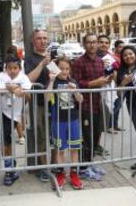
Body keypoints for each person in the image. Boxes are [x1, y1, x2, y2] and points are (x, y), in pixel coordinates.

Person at [72, 33, 110, 180]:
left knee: (95, 136)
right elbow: (76, 83)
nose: (92, 45)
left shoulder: (101, 61)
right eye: (89, 42)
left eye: (95, 42)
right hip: (85, 105)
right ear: (84, 44)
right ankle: (82, 168)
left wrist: (107, 79)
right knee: (87, 138)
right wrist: (95, 83)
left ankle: (89, 163)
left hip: (97, 104)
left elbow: (101, 81)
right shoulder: (79, 62)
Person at [0, 54, 32, 186]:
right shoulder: (1, 76)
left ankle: (9, 168)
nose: (13, 70)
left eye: (15, 68)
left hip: (14, 115)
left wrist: (21, 91)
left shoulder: (24, 77)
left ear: (19, 68)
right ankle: (11, 166)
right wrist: (7, 88)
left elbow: (29, 94)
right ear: (6, 68)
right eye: (10, 68)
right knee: (5, 141)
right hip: (0, 111)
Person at [46, 57, 83, 190]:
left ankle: (74, 174)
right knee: (60, 149)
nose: (64, 71)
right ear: (56, 69)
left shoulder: (72, 81)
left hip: (73, 119)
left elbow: (80, 99)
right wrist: (50, 80)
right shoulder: (54, 82)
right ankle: (61, 173)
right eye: (61, 68)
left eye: (67, 69)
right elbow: (46, 97)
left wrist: (76, 91)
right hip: (58, 120)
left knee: (74, 149)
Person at [24, 29, 51, 182]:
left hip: (53, 104)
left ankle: (54, 165)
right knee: (41, 137)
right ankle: (44, 168)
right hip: (38, 104)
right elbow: (28, 80)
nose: (42, 41)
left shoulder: (50, 58)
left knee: (54, 136)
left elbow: (60, 75)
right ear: (33, 41)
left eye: (45, 38)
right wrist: (42, 64)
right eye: (39, 38)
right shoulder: (30, 59)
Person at [97, 35, 120, 136]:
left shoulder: (111, 57)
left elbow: (114, 71)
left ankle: (108, 126)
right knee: (97, 114)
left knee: (108, 108)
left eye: (106, 43)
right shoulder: (93, 56)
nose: (104, 44)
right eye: (101, 42)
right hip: (95, 89)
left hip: (108, 87)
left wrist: (113, 77)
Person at [6, 45, 25, 144]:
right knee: (18, 113)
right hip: (14, 92)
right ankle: (21, 134)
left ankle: (21, 135)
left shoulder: (18, 63)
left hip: (17, 92)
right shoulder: (18, 61)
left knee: (16, 114)